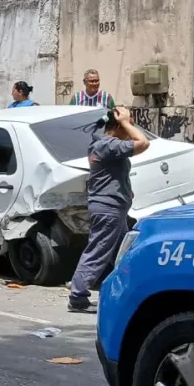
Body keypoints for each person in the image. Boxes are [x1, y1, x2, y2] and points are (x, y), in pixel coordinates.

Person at [68, 107, 150, 313]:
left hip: (112, 207)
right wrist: (126, 123)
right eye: (126, 125)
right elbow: (143, 143)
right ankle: (78, 297)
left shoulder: (102, 143)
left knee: (124, 251)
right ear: (117, 126)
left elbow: (112, 173)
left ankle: (126, 292)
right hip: (108, 209)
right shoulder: (107, 144)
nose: (129, 129)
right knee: (98, 252)